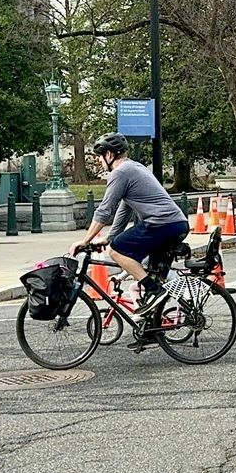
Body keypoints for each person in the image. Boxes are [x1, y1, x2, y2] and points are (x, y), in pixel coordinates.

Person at [71, 133, 190, 347]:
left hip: (161, 224)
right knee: (153, 272)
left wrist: (86, 240)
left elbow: (105, 210)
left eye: (100, 156)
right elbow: (125, 208)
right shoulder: (134, 168)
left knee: (116, 251)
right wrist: (110, 236)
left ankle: (154, 290)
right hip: (174, 224)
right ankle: (152, 330)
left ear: (109, 154)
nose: (99, 161)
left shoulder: (120, 173)